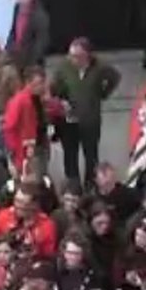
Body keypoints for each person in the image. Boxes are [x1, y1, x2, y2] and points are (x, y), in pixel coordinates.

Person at [49, 38, 120, 189]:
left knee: (91, 155)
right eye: (71, 55)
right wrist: (61, 101)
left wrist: (103, 93)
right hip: (69, 120)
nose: (72, 59)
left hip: (90, 120)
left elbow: (114, 77)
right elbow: (53, 89)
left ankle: (91, 185)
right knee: (70, 155)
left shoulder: (99, 67)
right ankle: (73, 185)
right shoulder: (64, 67)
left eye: (77, 56)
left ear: (87, 56)